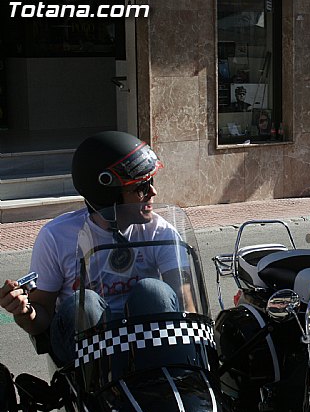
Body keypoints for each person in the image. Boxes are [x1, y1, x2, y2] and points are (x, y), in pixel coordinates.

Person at [0, 131, 189, 365]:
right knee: (85, 303)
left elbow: (186, 304)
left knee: (154, 292)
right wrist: (24, 311)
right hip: (84, 353)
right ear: (107, 193)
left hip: (146, 343)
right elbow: (42, 316)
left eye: (151, 182)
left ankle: (159, 382)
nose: (153, 192)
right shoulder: (56, 236)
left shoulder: (160, 231)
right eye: (141, 187)